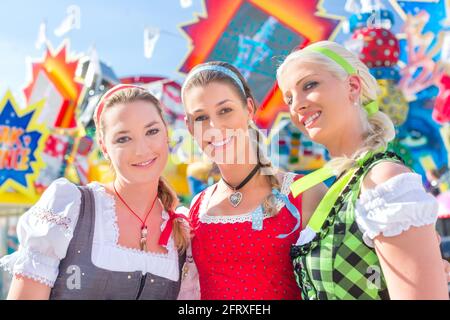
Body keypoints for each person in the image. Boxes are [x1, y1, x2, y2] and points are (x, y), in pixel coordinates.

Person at [277, 40, 449, 300]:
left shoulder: (383, 181)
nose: (296, 105)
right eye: (289, 98)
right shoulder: (344, 184)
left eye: (309, 85)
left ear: (352, 86)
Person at [0, 84, 190, 299]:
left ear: (167, 133)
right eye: (123, 138)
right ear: (104, 147)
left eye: (152, 131)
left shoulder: (182, 231)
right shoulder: (70, 208)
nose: (142, 149)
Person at [179, 61, 326, 300]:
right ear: (189, 126)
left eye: (225, 110)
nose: (215, 126)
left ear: (248, 108)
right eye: (201, 117)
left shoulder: (304, 193)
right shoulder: (197, 207)